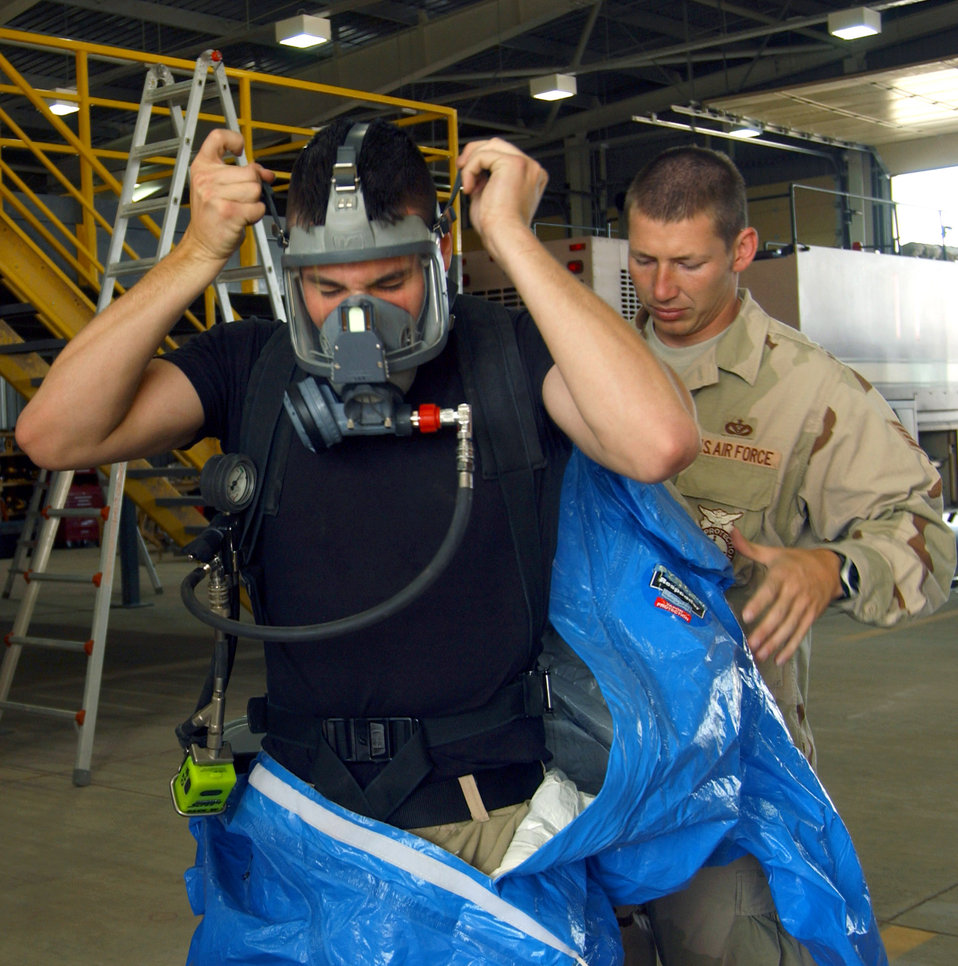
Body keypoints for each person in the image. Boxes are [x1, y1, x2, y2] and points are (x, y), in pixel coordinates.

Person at [15, 120, 698, 886]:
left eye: (389, 283)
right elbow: (54, 434)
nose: (358, 319)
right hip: (304, 814)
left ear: (437, 253)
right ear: (293, 273)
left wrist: (512, 239)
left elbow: (658, 443)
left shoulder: (509, 354)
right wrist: (198, 252)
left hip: (489, 820)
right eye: (328, 288)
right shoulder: (251, 367)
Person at [618, 144, 956, 965]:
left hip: (733, 772)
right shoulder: (594, 365)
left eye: (688, 263)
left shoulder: (808, 390)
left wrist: (830, 567)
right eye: (644, 260)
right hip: (597, 758)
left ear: (742, 249)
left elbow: (929, 537)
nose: (661, 288)